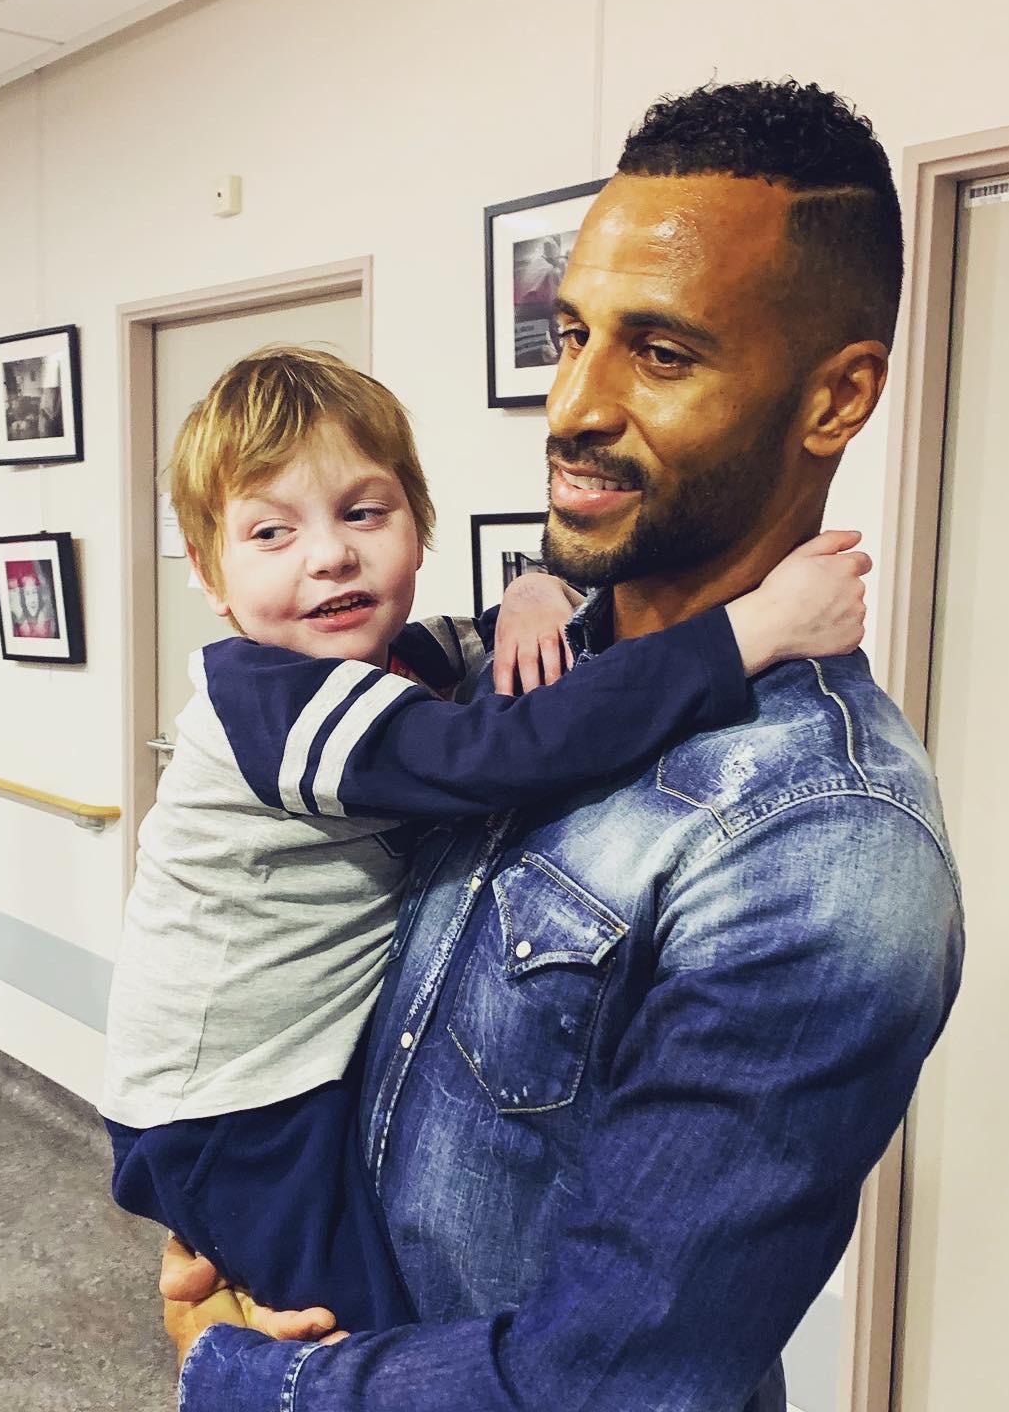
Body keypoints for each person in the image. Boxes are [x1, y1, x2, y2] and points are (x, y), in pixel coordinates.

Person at [162, 82, 965, 1411]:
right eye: (574, 332)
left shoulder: (826, 855)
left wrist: (246, 1379)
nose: (573, 405)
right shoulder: (518, 665)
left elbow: (620, 1378)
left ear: (836, 399)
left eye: (661, 354)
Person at [98, 346, 868, 1334]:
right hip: (233, 1107)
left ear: (418, 525)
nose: (328, 555)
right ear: (209, 575)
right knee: (354, 1338)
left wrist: (539, 590)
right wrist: (753, 631)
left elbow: (506, 652)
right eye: (270, 532)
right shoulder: (271, 703)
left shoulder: (403, 661)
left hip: (295, 1080)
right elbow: (508, 748)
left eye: (363, 513)